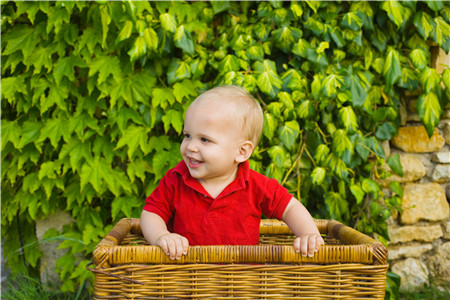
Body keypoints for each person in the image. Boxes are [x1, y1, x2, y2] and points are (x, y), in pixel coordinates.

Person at [141, 85, 324, 260]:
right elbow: (151, 213)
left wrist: (308, 234)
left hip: (242, 284)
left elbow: (290, 207)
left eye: (204, 139)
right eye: (187, 135)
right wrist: (162, 236)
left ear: (241, 152)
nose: (191, 146)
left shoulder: (255, 185)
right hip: (189, 282)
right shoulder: (176, 180)